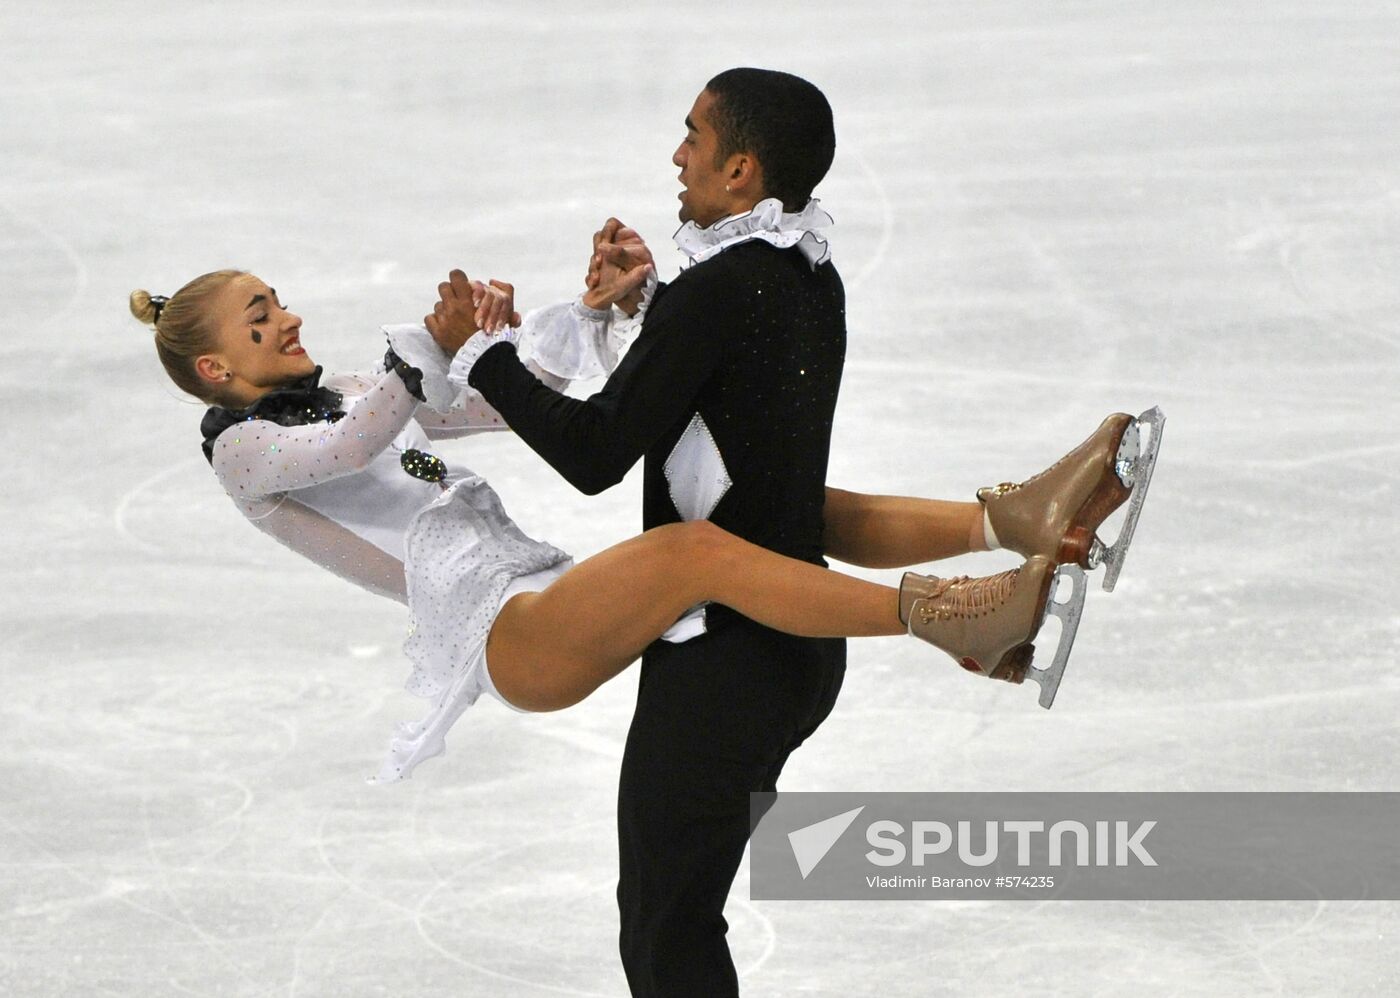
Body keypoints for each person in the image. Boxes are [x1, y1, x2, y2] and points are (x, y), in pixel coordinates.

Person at [432, 68, 1154, 995]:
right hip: (793, 652)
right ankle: (1014, 527)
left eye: (694, 135)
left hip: (724, 660)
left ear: (741, 170)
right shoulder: (808, 278)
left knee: (667, 925)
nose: (677, 154)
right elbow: (736, 424)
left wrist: (486, 354)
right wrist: (648, 312)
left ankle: (967, 601)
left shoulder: (721, 291)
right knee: (676, 912)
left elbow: (596, 452)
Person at [129, 264, 1139, 787]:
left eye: (278, 298)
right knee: (698, 550)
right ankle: (958, 619)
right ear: (216, 367)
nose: (289, 317)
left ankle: (1019, 515)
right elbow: (349, 449)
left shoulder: (353, 387)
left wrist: (582, 316)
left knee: (758, 506)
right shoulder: (244, 455)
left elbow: (493, 405)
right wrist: (421, 353)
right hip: (504, 633)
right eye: (261, 316)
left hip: (539, 586)